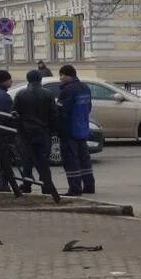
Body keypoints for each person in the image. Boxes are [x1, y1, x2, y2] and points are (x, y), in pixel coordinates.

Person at [13, 69, 59, 197]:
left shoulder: (21, 94)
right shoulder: (48, 94)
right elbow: (54, 114)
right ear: (40, 79)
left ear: (28, 79)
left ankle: (27, 184)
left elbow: (14, 112)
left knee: (27, 159)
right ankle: (46, 185)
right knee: (43, 159)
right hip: (43, 131)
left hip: (26, 132)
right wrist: (53, 130)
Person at [57, 64, 95, 196]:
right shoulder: (85, 88)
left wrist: (57, 127)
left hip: (69, 130)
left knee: (70, 159)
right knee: (84, 158)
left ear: (67, 75)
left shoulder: (67, 91)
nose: (60, 78)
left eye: (61, 75)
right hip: (82, 128)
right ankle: (89, 185)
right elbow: (89, 107)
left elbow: (62, 111)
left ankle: (75, 188)